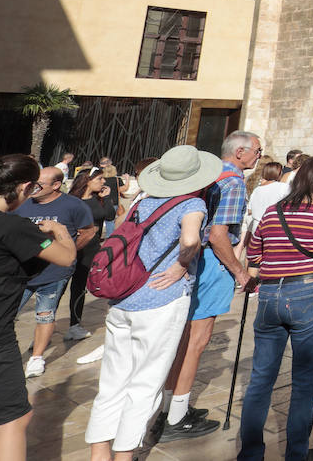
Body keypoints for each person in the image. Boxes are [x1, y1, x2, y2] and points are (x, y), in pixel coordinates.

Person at [84, 145, 212, 461]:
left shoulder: (144, 201)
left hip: (125, 298)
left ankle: (99, 455)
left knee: (112, 384)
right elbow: (191, 239)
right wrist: (181, 265)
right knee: (145, 385)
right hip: (160, 301)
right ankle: (125, 456)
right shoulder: (192, 203)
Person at [152, 130, 261, 443]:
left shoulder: (209, 175)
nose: (258, 155)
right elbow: (218, 233)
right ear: (239, 152)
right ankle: (176, 418)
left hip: (194, 259)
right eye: (256, 149)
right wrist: (240, 272)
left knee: (184, 337)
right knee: (197, 341)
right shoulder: (235, 181)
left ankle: (170, 407)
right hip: (214, 261)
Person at [238, 157, 313, 461]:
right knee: (305, 379)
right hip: (307, 293)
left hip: (271, 293)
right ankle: (296, 453)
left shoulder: (273, 212)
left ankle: (250, 454)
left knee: (260, 379)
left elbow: (254, 254)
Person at [0, 155, 76, 456]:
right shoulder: (13, 226)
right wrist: (61, 233)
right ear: (26, 187)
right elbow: (65, 257)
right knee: (13, 418)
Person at [15, 165, 96, 377]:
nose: (33, 188)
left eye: (39, 184)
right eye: (32, 183)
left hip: (53, 274)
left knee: (45, 314)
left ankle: (37, 358)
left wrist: (65, 252)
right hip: (21, 272)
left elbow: (88, 232)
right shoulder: (22, 201)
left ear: (56, 185)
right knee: (6, 314)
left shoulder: (74, 206)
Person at [66, 168, 118, 342]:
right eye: (100, 179)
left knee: (80, 286)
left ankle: (75, 325)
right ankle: (45, 323)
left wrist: (107, 198)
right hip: (71, 247)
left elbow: (110, 216)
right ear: (88, 180)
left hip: (92, 250)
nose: (103, 182)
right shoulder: (71, 200)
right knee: (58, 287)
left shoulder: (98, 199)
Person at [243, 160, 290, 242]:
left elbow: (250, 210)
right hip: (274, 226)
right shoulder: (284, 187)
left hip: (257, 226)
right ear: (278, 173)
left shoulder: (257, 190)